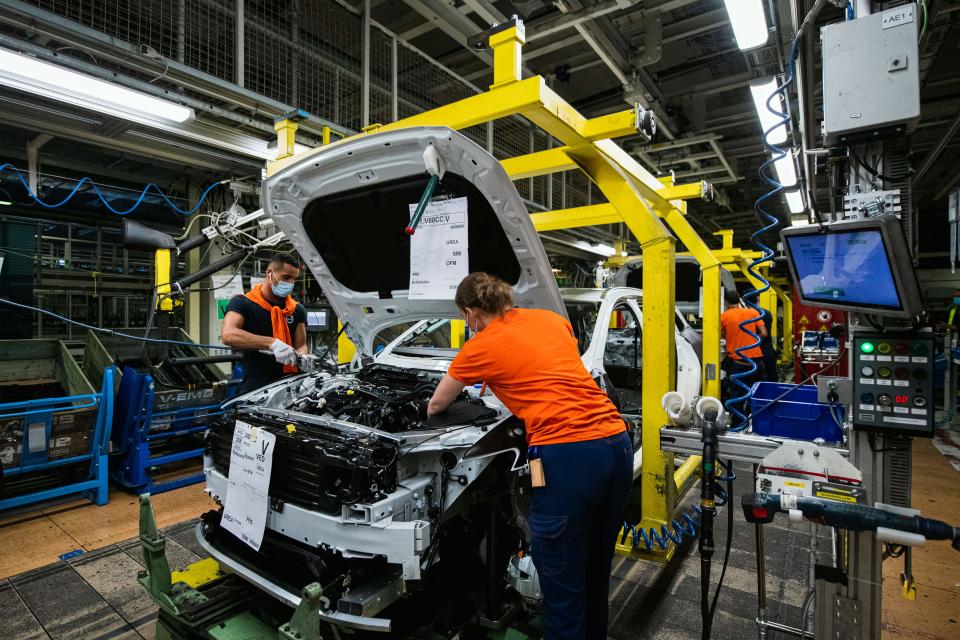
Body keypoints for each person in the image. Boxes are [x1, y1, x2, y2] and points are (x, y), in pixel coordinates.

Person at [427, 272, 632, 640]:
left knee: (562, 584)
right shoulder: (552, 321)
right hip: (615, 443)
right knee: (594, 568)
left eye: (464, 318)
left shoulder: (481, 346)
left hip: (570, 455)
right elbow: (547, 368)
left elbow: (436, 404)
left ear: (471, 313)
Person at [221, 252, 308, 394]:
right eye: (286, 277)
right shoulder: (243, 303)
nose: (290, 283)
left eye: (294, 279)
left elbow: (301, 345)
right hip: (256, 387)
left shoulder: (297, 309)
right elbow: (228, 335)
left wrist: (303, 358)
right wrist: (271, 343)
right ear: (269, 273)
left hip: (291, 386)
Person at [720, 289, 767, 408]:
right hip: (756, 361)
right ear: (739, 298)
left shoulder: (724, 316)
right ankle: (753, 419)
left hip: (738, 362)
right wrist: (752, 341)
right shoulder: (752, 313)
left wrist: (732, 337)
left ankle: (738, 421)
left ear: (726, 301)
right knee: (755, 392)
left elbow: (720, 335)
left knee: (736, 394)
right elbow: (764, 333)